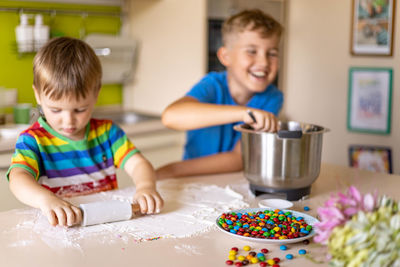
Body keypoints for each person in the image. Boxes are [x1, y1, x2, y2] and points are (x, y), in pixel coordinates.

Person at [6, 37, 163, 227]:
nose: (68, 120)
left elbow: (138, 163)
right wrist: (46, 200)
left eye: (80, 110)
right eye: (56, 110)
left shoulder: (107, 133)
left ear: (96, 94)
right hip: (63, 227)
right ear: (38, 95)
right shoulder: (33, 140)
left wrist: (146, 187)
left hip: (106, 222)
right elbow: (18, 178)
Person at [156, 9, 283, 179]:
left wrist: (173, 170)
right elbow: (171, 117)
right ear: (225, 56)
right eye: (252, 51)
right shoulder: (212, 85)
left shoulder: (272, 97)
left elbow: (238, 159)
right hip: (191, 179)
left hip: (233, 181)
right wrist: (244, 113)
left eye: (272, 53)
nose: (264, 62)